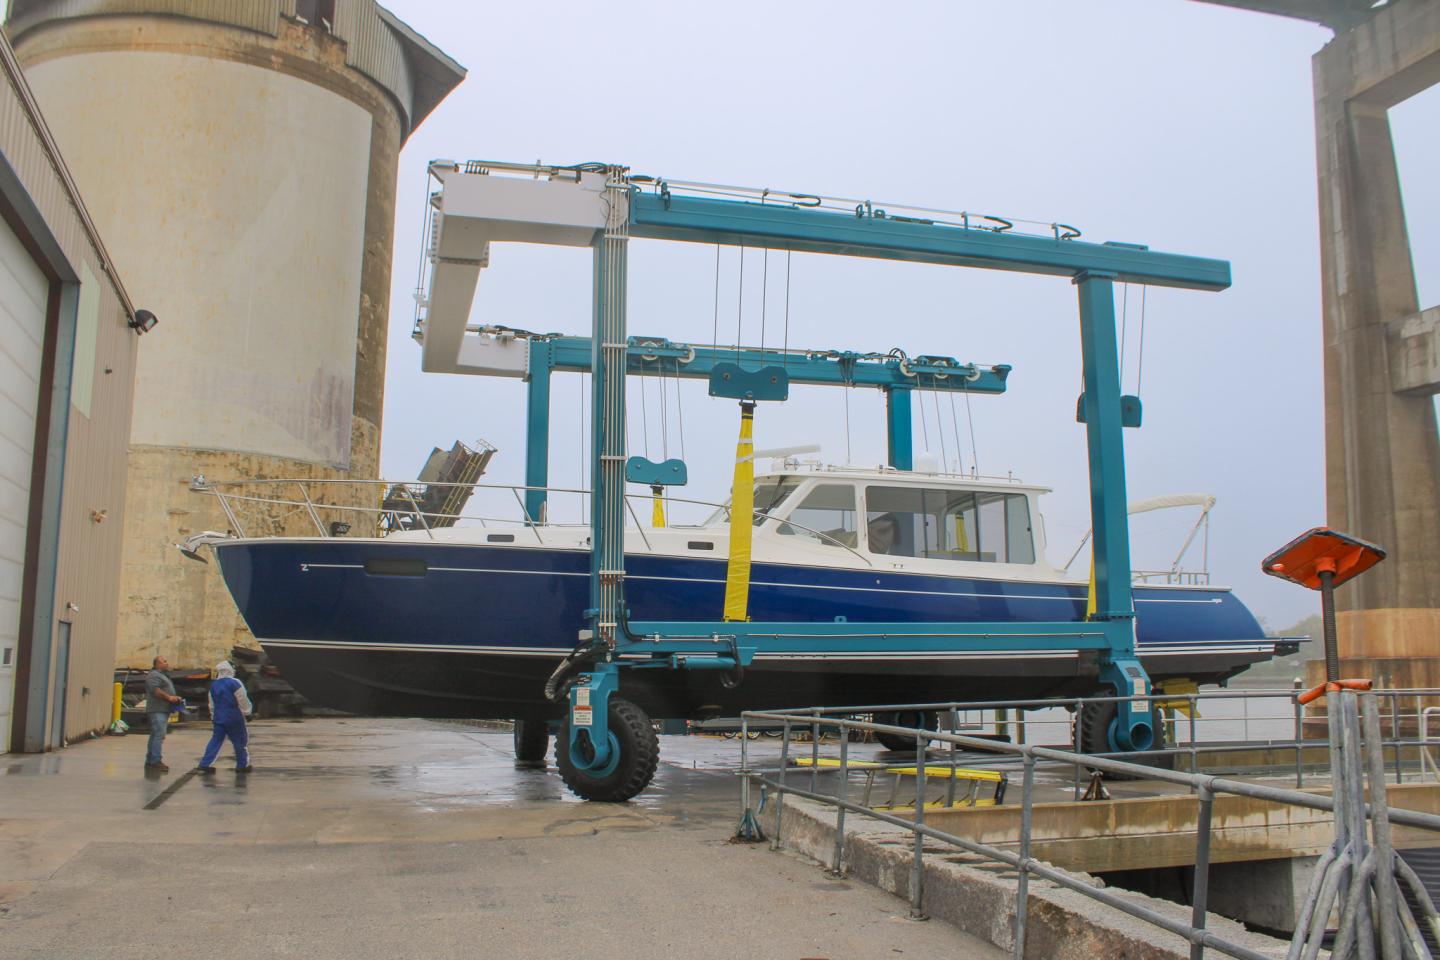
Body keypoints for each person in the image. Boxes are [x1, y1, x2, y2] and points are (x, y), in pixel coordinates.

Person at [197, 661, 253, 773]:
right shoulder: (235, 683)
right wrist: (248, 713)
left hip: (219, 716)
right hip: (233, 716)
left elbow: (211, 703)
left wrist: (213, 716)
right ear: (230, 669)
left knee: (216, 740)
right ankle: (242, 765)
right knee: (240, 741)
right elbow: (242, 698)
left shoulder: (214, 685)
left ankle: (205, 764)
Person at [144, 655, 183, 772]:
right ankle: (156, 761)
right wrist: (169, 697)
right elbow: (155, 690)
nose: (167, 663)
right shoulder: (154, 675)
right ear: (157, 664)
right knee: (159, 735)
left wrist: (174, 697)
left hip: (162, 709)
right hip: (157, 709)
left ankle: (151, 759)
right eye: (164, 661)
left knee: (156, 734)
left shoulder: (162, 675)